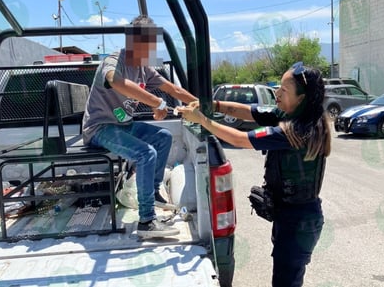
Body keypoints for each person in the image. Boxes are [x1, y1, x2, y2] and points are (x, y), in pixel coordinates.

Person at [177, 62, 331, 287]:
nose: (276, 93)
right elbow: (248, 111)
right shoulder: (290, 115)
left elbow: (239, 139)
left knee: (286, 281)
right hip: (291, 217)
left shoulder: (297, 131)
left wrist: (202, 120)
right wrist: (212, 104)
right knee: (285, 277)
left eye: (283, 90)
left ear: (302, 97)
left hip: (299, 222)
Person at [82, 15, 197, 238]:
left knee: (163, 137)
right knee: (146, 153)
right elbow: (116, 81)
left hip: (123, 125)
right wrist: (157, 103)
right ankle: (146, 221)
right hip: (100, 128)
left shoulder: (145, 68)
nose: (148, 49)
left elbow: (173, 89)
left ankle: (152, 192)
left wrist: (201, 105)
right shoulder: (115, 60)